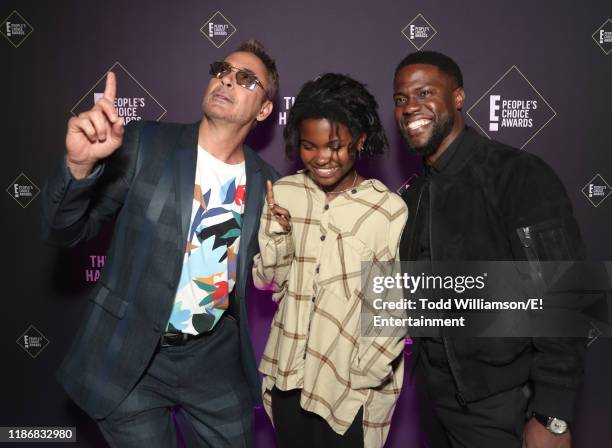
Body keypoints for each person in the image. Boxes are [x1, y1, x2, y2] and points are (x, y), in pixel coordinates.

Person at [41, 39, 280, 447]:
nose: (226, 80)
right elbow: (65, 231)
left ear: (264, 110)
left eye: (246, 79)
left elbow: (273, 272)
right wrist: (79, 167)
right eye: (222, 69)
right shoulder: (145, 143)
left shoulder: (270, 183)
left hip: (214, 361)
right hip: (131, 361)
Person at [392, 50, 586, 448]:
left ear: (458, 97)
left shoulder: (515, 174)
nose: (411, 107)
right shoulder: (413, 198)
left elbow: (565, 294)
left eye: (425, 92)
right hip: (436, 403)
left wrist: (553, 415)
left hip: (505, 405)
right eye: (400, 99)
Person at [253, 73, 408, 448]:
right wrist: (279, 235)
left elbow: (390, 310)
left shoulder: (385, 210)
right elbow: (267, 281)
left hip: (350, 386)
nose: (322, 158)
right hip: (289, 373)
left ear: (360, 140)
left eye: (336, 147)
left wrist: (365, 377)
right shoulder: (284, 193)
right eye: (310, 146)